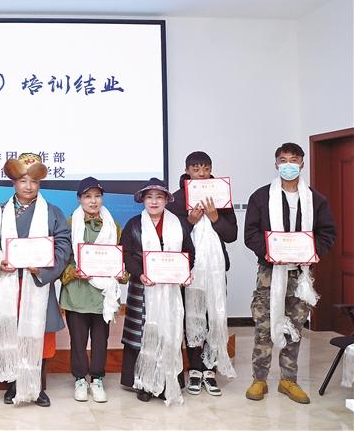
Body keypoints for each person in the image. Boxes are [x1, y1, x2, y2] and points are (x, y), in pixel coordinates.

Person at [243, 142, 336, 404]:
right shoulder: (261, 197)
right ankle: (259, 379)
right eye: (283, 160)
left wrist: (312, 253)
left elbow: (327, 233)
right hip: (269, 272)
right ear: (276, 164)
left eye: (293, 160)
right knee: (264, 325)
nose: (288, 165)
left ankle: (288, 380)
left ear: (302, 164)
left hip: (300, 275)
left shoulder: (316, 199)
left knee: (295, 327)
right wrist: (270, 253)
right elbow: (251, 233)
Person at [0, 153, 70, 406]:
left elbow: (63, 246)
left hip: (37, 283)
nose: (28, 186)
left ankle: (37, 386)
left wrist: (44, 269)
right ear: (14, 182)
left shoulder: (52, 212)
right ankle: (13, 384)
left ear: (40, 184)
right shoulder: (2, 211)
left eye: (34, 181)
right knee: (13, 333)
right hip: (11, 282)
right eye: (23, 181)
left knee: (39, 335)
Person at [167, 151, 238, 396]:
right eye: (196, 169)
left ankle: (210, 369)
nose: (201, 174)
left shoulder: (221, 195)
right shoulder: (176, 199)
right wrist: (190, 221)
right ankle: (195, 369)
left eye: (206, 168)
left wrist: (216, 218)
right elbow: (172, 237)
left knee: (213, 317)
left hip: (216, 271)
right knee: (191, 317)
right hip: (189, 270)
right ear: (187, 171)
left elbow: (232, 235)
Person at [119, 177, 195, 405]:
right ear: (143, 200)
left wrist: (184, 273)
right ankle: (143, 383)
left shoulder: (178, 224)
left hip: (170, 290)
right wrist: (140, 273)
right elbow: (126, 254)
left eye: (159, 197)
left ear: (166, 200)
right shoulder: (134, 224)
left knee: (169, 333)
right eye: (149, 197)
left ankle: (166, 382)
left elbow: (189, 253)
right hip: (143, 286)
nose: (154, 202)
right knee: (142, 335)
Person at [59, 177, 123, 403]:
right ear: (79, 199)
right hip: (77, 292)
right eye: (88, 196)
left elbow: (120, 258)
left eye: (97, 196)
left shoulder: (113, 226)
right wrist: (73, 272)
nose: (93, 201)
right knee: (77, 340)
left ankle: (97, 379)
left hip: (103, 294)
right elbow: (61, 258)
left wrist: (121, 272)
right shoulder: (69, 224)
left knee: (100, 339)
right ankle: (79, 379)